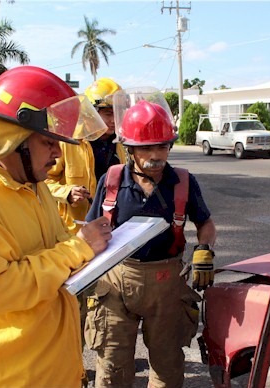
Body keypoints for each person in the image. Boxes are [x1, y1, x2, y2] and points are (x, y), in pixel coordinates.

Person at [0, 66, 113, 388]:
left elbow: (56, 253)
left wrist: (97, 248)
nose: (58, 153)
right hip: (15, 378)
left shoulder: (35, 186)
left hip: (55, 371)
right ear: (11, 140)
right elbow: (1, 290)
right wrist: (79, 247)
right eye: (48, 142)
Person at [84, 92, 217, 388]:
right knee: (112, 369)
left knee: (167, 366)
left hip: (166, 283)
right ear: (130, 149)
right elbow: (92, 230)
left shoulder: (183, 182)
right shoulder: (112, 180)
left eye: (163, 146)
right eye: (146, 149)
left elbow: (205, 223)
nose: (156, 156)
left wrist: (204, 250)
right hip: (116, 282)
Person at [46, 77, 127, 235]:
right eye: (108, 114)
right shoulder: (68, 142)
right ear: (91, 113)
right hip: (72, 232)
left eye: (117, 114)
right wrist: (67, 193)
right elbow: (42, 182)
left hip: (107, 229)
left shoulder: (119, 146)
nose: (114, 121)